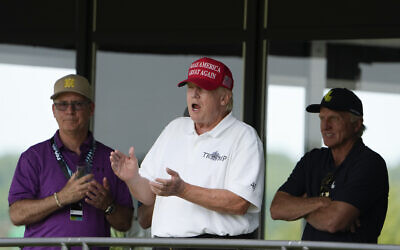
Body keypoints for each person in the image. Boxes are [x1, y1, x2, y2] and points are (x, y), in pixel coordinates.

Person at [110, 57, 264, 249]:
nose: (195, 94)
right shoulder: (175, 128)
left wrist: (183, 190)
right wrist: (132, 178)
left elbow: (239, 202)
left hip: (218, 245)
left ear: (224, 98)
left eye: (204, 88)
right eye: (190, 87)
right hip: (165, 244)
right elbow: (149, 196)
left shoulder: (243, 136)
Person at [8, 74, 133, 249]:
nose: (70, 111)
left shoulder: (111, 158)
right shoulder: (33, 157)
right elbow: (16, 215)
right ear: (53, 110)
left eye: (78, 104)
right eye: (62, 105)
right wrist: (61, 198)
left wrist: (108, 205)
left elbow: (125, 223)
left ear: (91, 109)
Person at [270, 88, 389, 243]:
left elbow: (333, 222)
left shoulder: (370, 163)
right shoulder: (312, 160)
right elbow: (277, 208)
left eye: (334, 118)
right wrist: (320, 202)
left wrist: (301, 207)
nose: (325, 126)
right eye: (322, 118)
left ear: (357, 124)